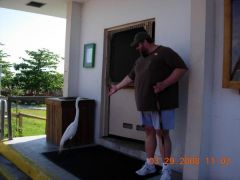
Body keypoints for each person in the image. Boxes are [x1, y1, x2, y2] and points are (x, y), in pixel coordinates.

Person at [108, 31, 188, 180]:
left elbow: (181, 68)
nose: (137, 49)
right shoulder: (140, 60)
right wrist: (117, 87)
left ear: (145, 41)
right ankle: (150, 165)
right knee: (149, 133)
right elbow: (131, 76)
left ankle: (166, 170)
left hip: (161, 103)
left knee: (162, 134)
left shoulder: (165, 52)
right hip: (145, 104)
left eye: (138, 45)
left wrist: (164, 84)